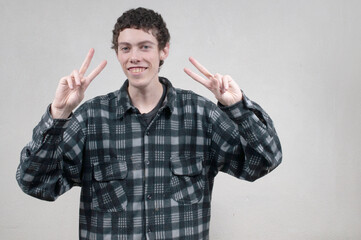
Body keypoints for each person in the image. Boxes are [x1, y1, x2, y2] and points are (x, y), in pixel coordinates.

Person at [16, 7, 282, 240]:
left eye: (145, 46)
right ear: (118, 53)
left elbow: (263, 162)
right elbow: (36, 183)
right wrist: (59, 113)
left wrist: (238, 107)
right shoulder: (90, 118)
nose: (134, 57)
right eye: (125, 48)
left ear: (164, 50)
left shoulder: (201, 115)